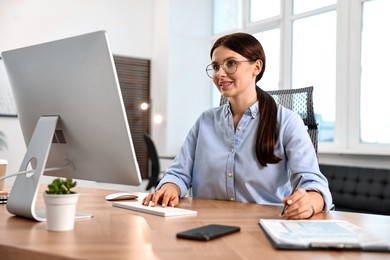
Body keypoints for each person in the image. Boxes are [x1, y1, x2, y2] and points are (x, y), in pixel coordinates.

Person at [143, 32, 333, 219]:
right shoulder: (205, 121)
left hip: (261, 230)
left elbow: (315, 185)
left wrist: (309, 202)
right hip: (204, 226)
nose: (220, 73)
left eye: (231, 63)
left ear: (256, 67)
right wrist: (170, 187)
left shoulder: (287, 122)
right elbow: (179, 173)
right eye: (216, 66)